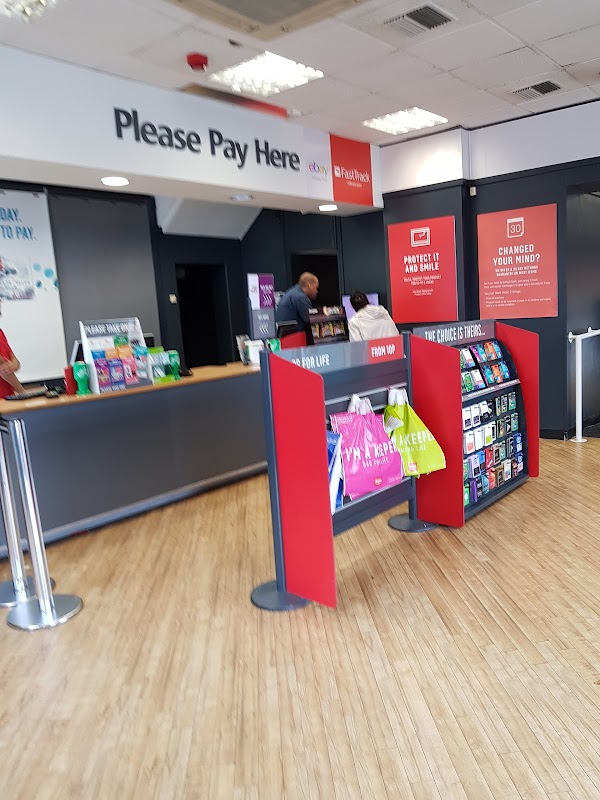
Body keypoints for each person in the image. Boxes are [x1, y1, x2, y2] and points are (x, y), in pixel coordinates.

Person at [0, 299, 24, 398]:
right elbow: (3, 367)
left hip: (7, 396)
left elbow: (15, 361)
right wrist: (22, 392)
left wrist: (14, 365)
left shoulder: (0, 332)